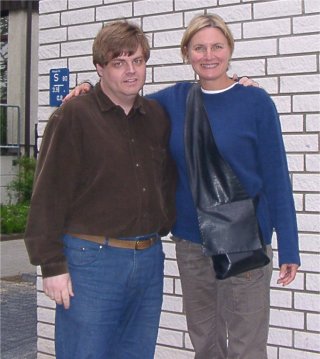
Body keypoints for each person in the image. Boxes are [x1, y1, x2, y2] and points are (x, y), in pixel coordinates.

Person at [67, 13, 300, 359]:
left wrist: (290, 247)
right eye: (199, 47)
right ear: (186, 53)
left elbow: (277, 176)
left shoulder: (256, 102)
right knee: (205, 343)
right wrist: (87, 87)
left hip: (246, 241)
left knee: (246, 346)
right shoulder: (172, 102)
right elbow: (122, 97)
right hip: (192, 243)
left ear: (229, 50)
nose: (209, 55)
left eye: (217, 46)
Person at [24, 20, 177, 359]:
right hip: (92, 262)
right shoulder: (74, 115)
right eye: (119, 63)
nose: (131, 71)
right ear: (100, 68)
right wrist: (51, 265)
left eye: (137, 61)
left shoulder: (156, 116)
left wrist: (240, 83)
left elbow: (201, 93)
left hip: (148, 259)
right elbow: (48, 194)